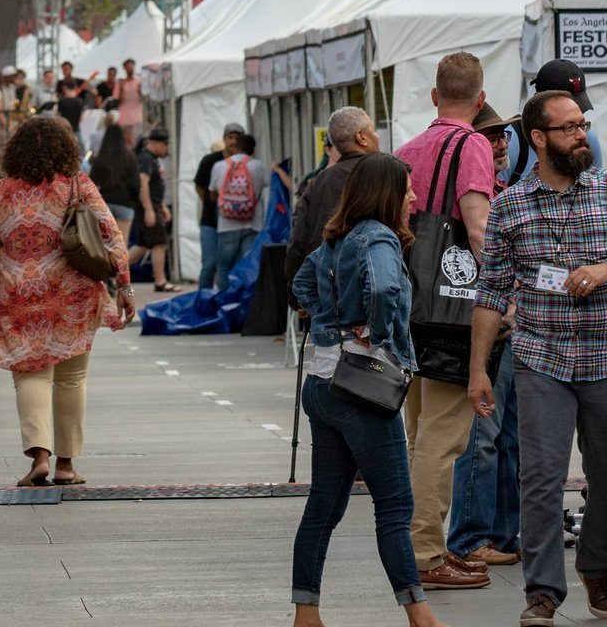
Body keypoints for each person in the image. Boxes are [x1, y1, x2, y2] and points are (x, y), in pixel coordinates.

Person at [470, 91, 607, 627]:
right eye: (568, 128)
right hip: (540, 359)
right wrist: (478, 371)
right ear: (539, 139)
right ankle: (542, 592)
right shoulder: (510, 204)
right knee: (540, 476)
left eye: (582, 125)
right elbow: (490, 292)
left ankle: (595, 566)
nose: (581, 135)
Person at [288, 153, 446, 627]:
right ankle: (420, 616)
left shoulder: (336, 239)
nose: (414, 197)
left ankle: (306, 612)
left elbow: (299, 283)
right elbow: (383, 291)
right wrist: (378, 339)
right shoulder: (378, 237)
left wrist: (330, 326)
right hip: (361, 386)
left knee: (324, 503)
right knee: (395, 506)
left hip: (322, 382)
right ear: (388, 194)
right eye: (408, 189)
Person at [0, 115, 135, 488]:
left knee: (31, 375)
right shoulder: (78, 185)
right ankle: (65, 465)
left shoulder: (0, 192)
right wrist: (124, 288)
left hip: (18, 296)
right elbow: (112, 237)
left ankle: (39, 457)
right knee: (72, 380)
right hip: (72, 295)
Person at [393, 52, 498, 591]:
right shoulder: (474, 144)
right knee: (444, 436)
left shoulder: (407, 149)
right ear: (479, 101)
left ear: (434, 96)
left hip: (410, 308)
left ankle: (417, 543)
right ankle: (427, 553)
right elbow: (478, 226)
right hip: (456, 311)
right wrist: (504, 293)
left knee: (417, 433)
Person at [447, 104, 523, 572]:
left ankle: (502, 534)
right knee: (483, 432)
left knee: (509, 433)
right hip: (486, 319)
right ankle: (470, 537)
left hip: (513, 322)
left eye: (502, 137)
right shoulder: (476, 192)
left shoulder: (503, 191)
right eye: (490, 136)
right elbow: (481, 242)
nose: (499, 144)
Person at [285, 108, 378, 303]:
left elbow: (298, 239)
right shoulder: (385, 174)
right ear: (361, 137)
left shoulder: (317, 182)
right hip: (375, 284)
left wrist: (298, 296)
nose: (377, 135)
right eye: (373, 129)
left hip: (326, 289)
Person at [504, 60, 605, 182]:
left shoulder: (587, 137)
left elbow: (598, 188)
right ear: (538, 99)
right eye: (568, 126)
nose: (580, 133)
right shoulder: (510, 138)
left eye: (581, 110)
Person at [209, 132, 272, 285]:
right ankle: (245, 304)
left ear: (235, 147)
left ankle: (225, 304)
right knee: (248, 267)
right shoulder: (258, 166)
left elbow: (212, 193)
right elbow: (271, 184)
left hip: (226, 225)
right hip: (253, 224)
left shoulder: (219, 166)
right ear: (252, 149)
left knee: (224, 268)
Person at [131, 126, 181, 291]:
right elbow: (143, 184)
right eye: (166, 145)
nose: (167, 149)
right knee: (159, 242)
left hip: (153, 205)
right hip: (149, 207)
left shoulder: (150, 158)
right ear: (158, 143)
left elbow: (153, 185)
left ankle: (111, 271)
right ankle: (160, 281)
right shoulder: (145, 158)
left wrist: (162, 206)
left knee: (143, 245)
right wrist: (149, 209)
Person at [194, 124, 243, 291]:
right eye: (230, 137)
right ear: (224, 139)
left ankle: (226, 302)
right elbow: (200, 186)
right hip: (211, 221)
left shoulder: (246, 162)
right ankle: (203, 301)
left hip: (235, 223)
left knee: (230, 265)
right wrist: (211, 204)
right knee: (209, 264)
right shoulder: (210, 161)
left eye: (237, 137)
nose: (233, 141)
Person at [88, 115, 140, 231]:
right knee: (122, 245)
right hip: (124, 203)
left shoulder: (100, 158)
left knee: (104, 244)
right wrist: (133, 201)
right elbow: (135, 183)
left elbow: (91, 183)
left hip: (105, 203)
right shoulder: (130, 158)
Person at [115, 59, 144, 143]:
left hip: (137, 117)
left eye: (131, 66)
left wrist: (140, 91)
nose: (130, 68)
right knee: (125, 143)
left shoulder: (139, 82)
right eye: (128, 67)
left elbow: (142, 99)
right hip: (124, 118)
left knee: (137, 142)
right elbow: (118, 101)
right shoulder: (120, 83)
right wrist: (121, 89)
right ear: (124, 68)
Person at [55, 62, 88, 129]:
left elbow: (93, 92)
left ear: (71, 69)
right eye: (63, 69)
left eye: (66, 69)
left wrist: (86, 88)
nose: (65, 71)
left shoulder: (80, 81)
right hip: (65, 109)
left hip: (77, 109)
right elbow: (57, 95)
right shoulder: (60, 83)